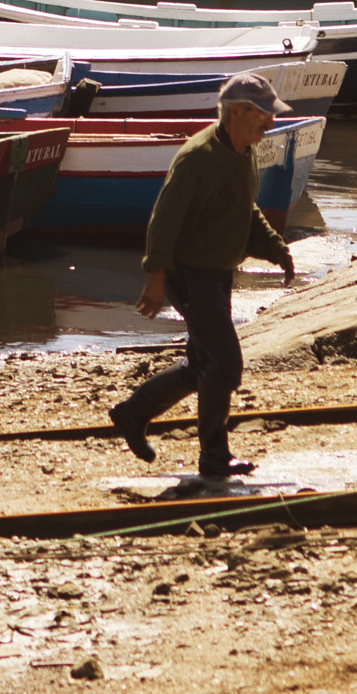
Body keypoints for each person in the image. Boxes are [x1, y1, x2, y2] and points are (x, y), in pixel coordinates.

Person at [109, 72, 296, 484]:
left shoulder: (244, 149)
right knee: (226, 365)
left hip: (216, 271)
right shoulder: (198, 158)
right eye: (265, 114)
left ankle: (133, 412)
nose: (271, 122)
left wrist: (274, 248)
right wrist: (156, 278)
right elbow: (164, 221)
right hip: (190, 274)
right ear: (238, 112)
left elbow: (244, 209)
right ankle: (214, 457)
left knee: (202, 366)